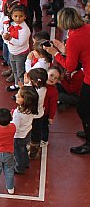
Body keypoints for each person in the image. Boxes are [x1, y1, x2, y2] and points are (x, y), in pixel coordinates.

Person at [44, 8, 90, 154]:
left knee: (84, 110)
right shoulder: (86, 28)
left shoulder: (74, 38)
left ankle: (89, 143)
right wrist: (65, 50)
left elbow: (70, 66)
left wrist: (55, 53)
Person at [12, 86, 38, 174]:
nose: (16, 96)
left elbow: (15, 127)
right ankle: (26, 163)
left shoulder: (18, 113)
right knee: (23, 149)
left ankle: (19, 168)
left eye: (19, 96)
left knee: (18, 153)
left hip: (19, 136)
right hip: (27, 132)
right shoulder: (30, 109)